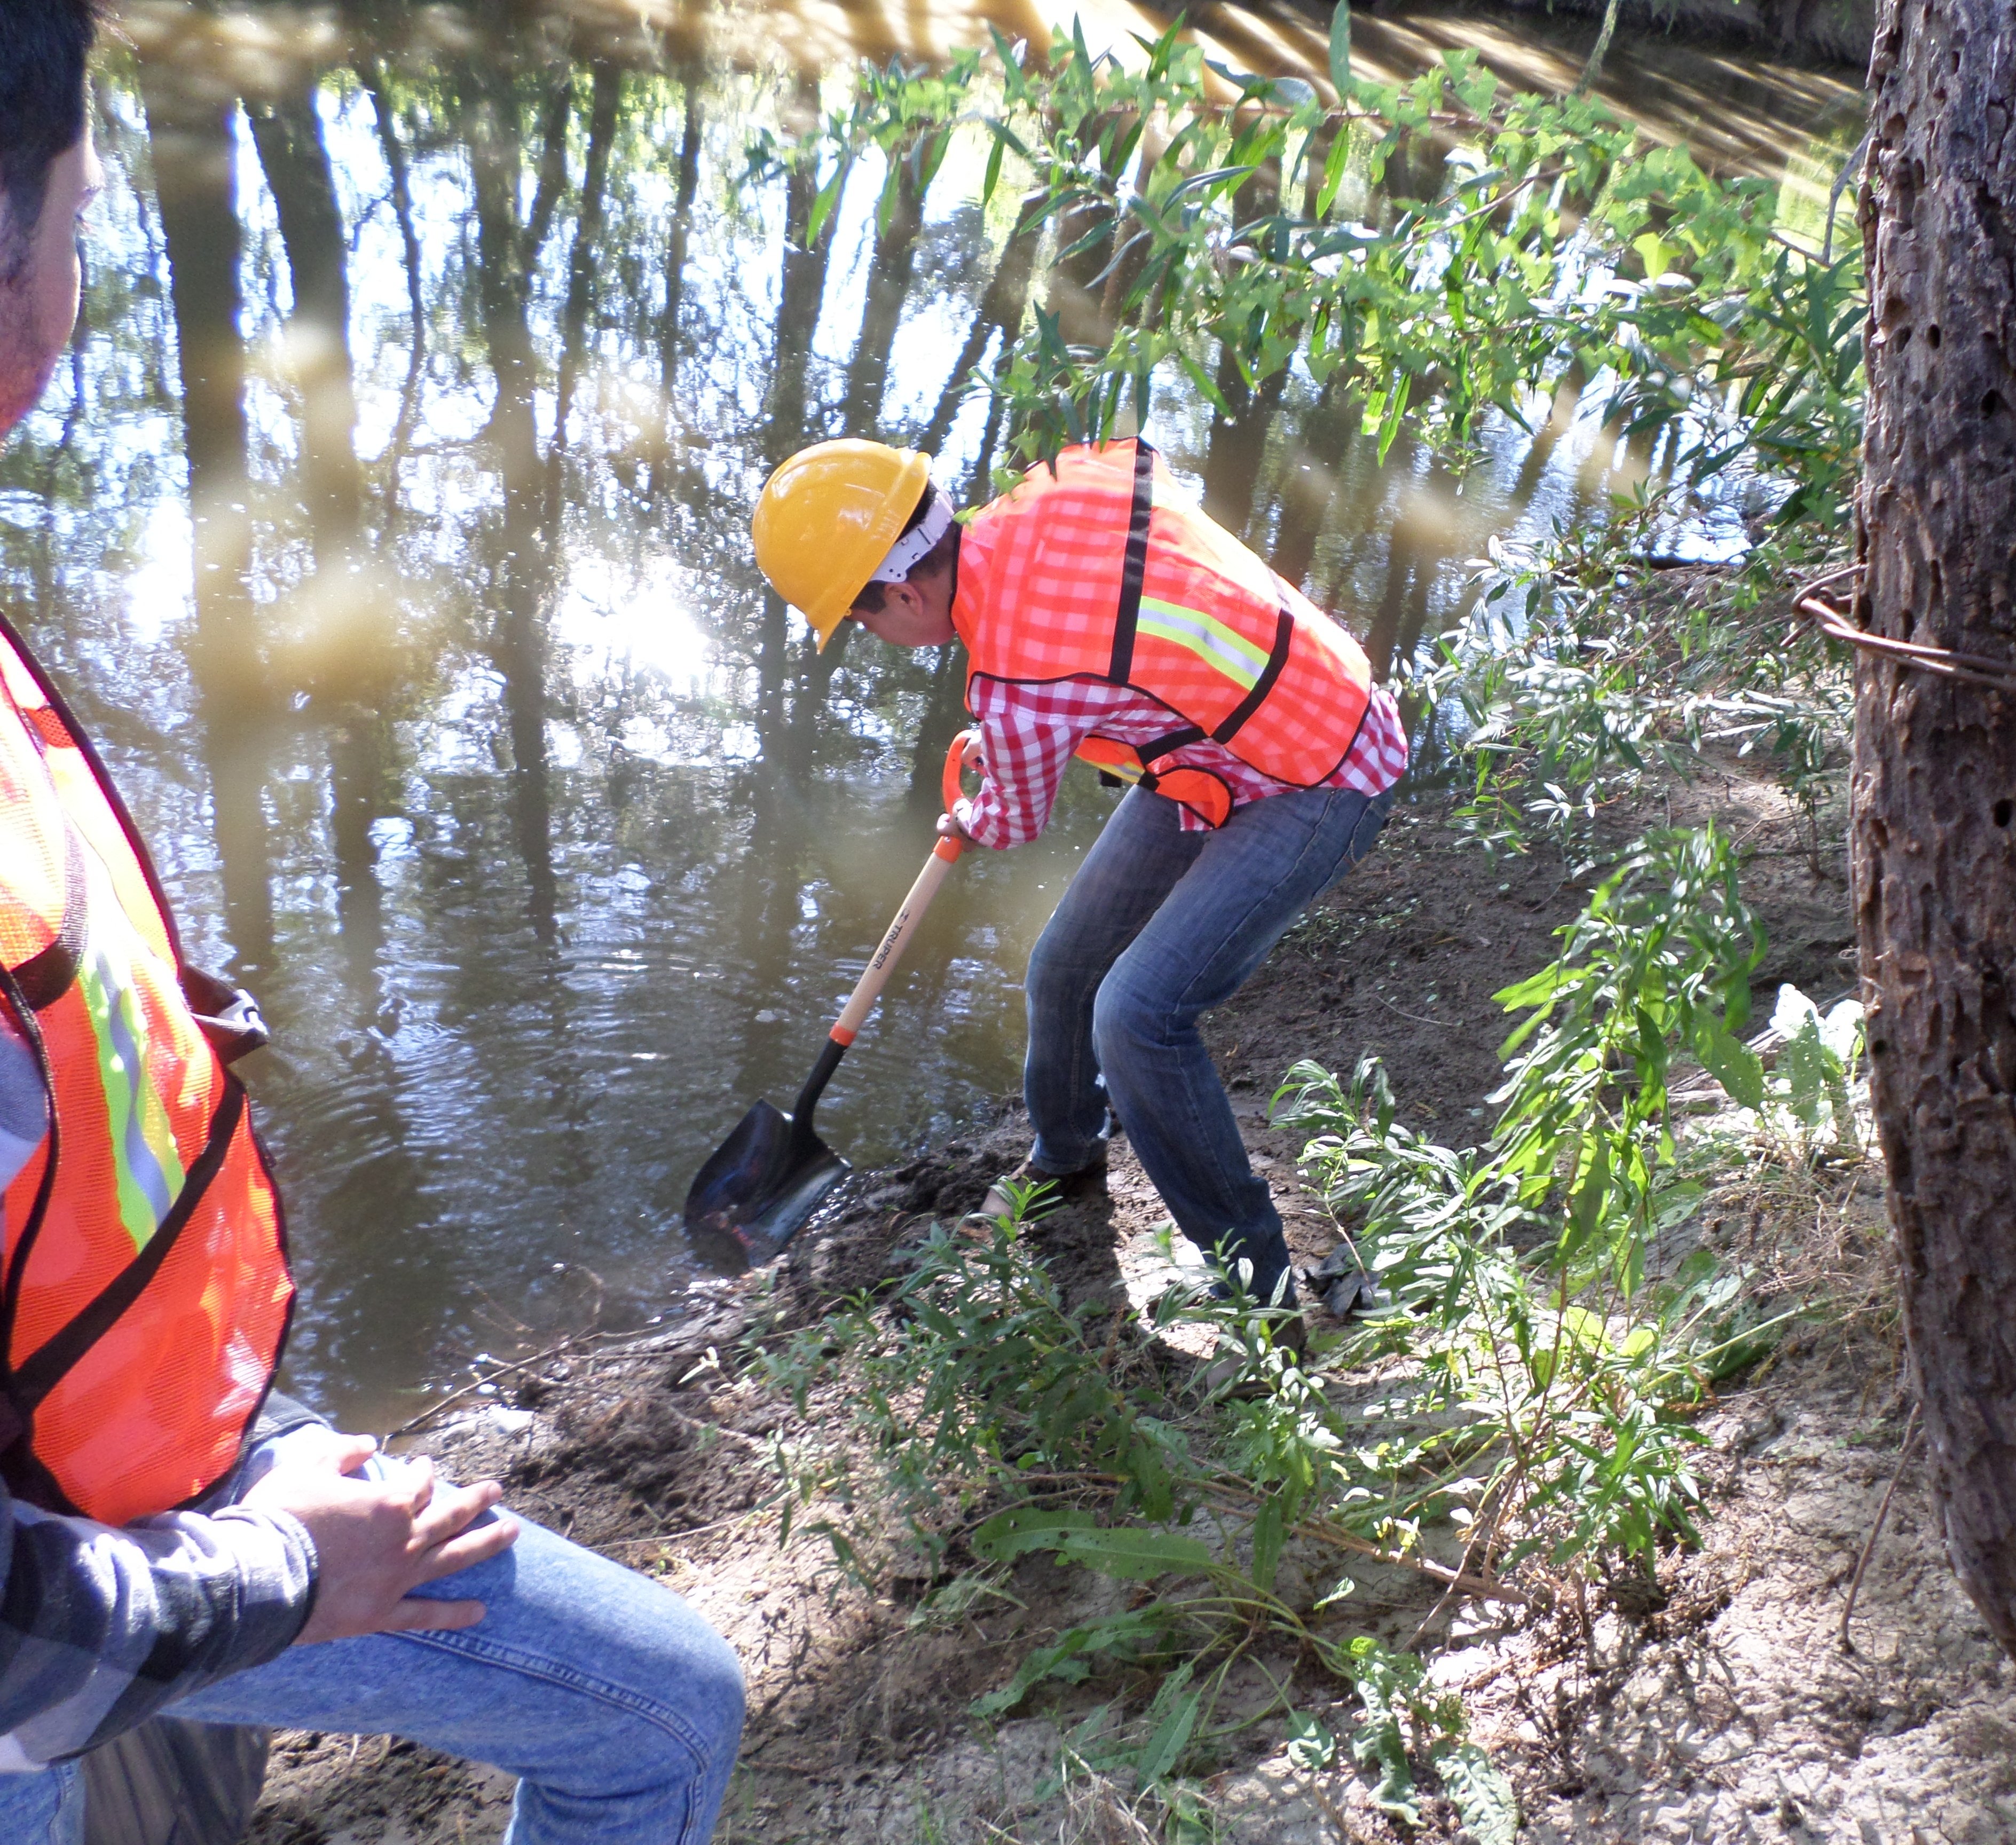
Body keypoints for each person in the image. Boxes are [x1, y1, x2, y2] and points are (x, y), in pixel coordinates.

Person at [0, 6, 744, 1840]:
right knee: (658, 1718)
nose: (79, 288)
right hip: (95, 1557)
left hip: (134, 1431)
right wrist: (274, 1574)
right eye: (81, 220)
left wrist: (137, 1025)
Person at [752, 436, 1407, 1326]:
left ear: (904, 593)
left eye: (863, 622)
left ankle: (1257, 1295)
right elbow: (1118, 613)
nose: (877, 638)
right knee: (1064, 965)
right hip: (1226, 744)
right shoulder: (1046, 495)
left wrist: (972, 813)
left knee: (1137, 1016)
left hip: (1324, 771)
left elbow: (1012, 819)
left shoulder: (1016, 683)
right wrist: (1027, 740)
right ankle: (1066, 1153)